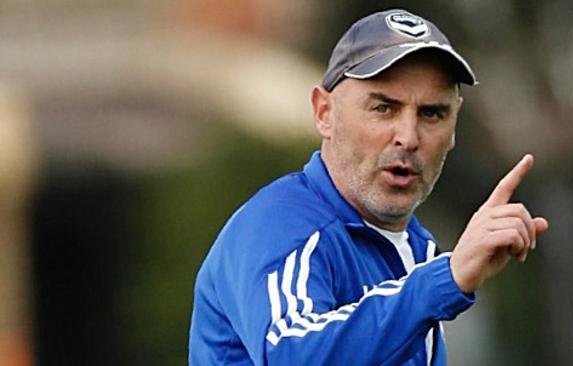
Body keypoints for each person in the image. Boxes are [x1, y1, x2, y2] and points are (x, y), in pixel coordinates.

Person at [189, 9, 549, 365]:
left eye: (432, 114)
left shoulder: (418, 251)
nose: (408, 137)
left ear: (453, 127)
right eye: (383, 108)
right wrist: (446, 279)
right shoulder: (279, 225)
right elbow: (293, 357)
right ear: (324, 113)